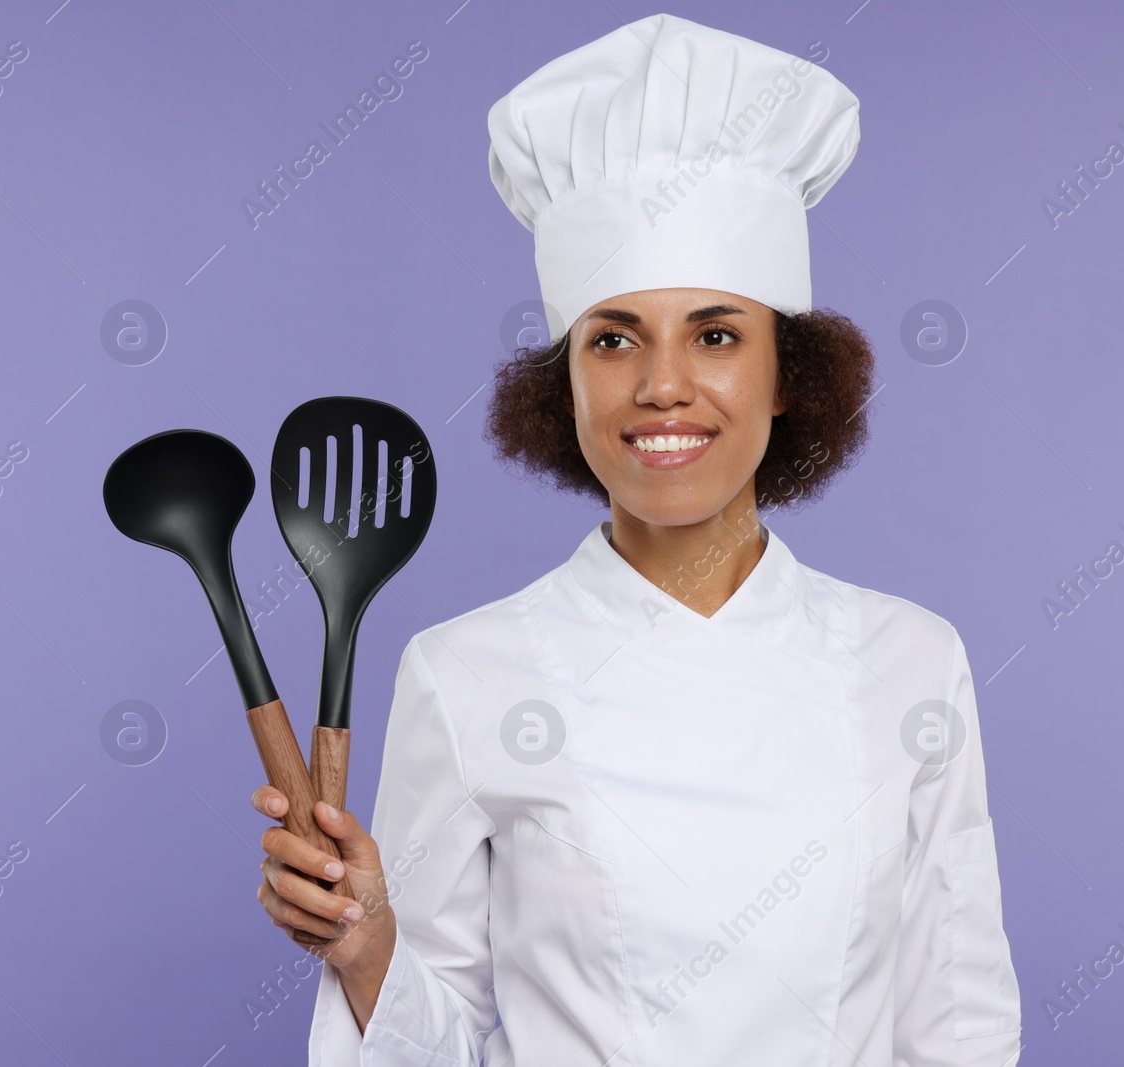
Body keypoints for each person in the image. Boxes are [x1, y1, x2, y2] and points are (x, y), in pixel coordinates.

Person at [252, 13, 1023, 1065]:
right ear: (561, 384)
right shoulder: (465, 672)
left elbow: (961, 1016)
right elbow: (426, 1044)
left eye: (715, 334)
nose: (662, 384)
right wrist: (367, 941)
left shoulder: (912, 662)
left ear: (787, 374)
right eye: (611, 338)